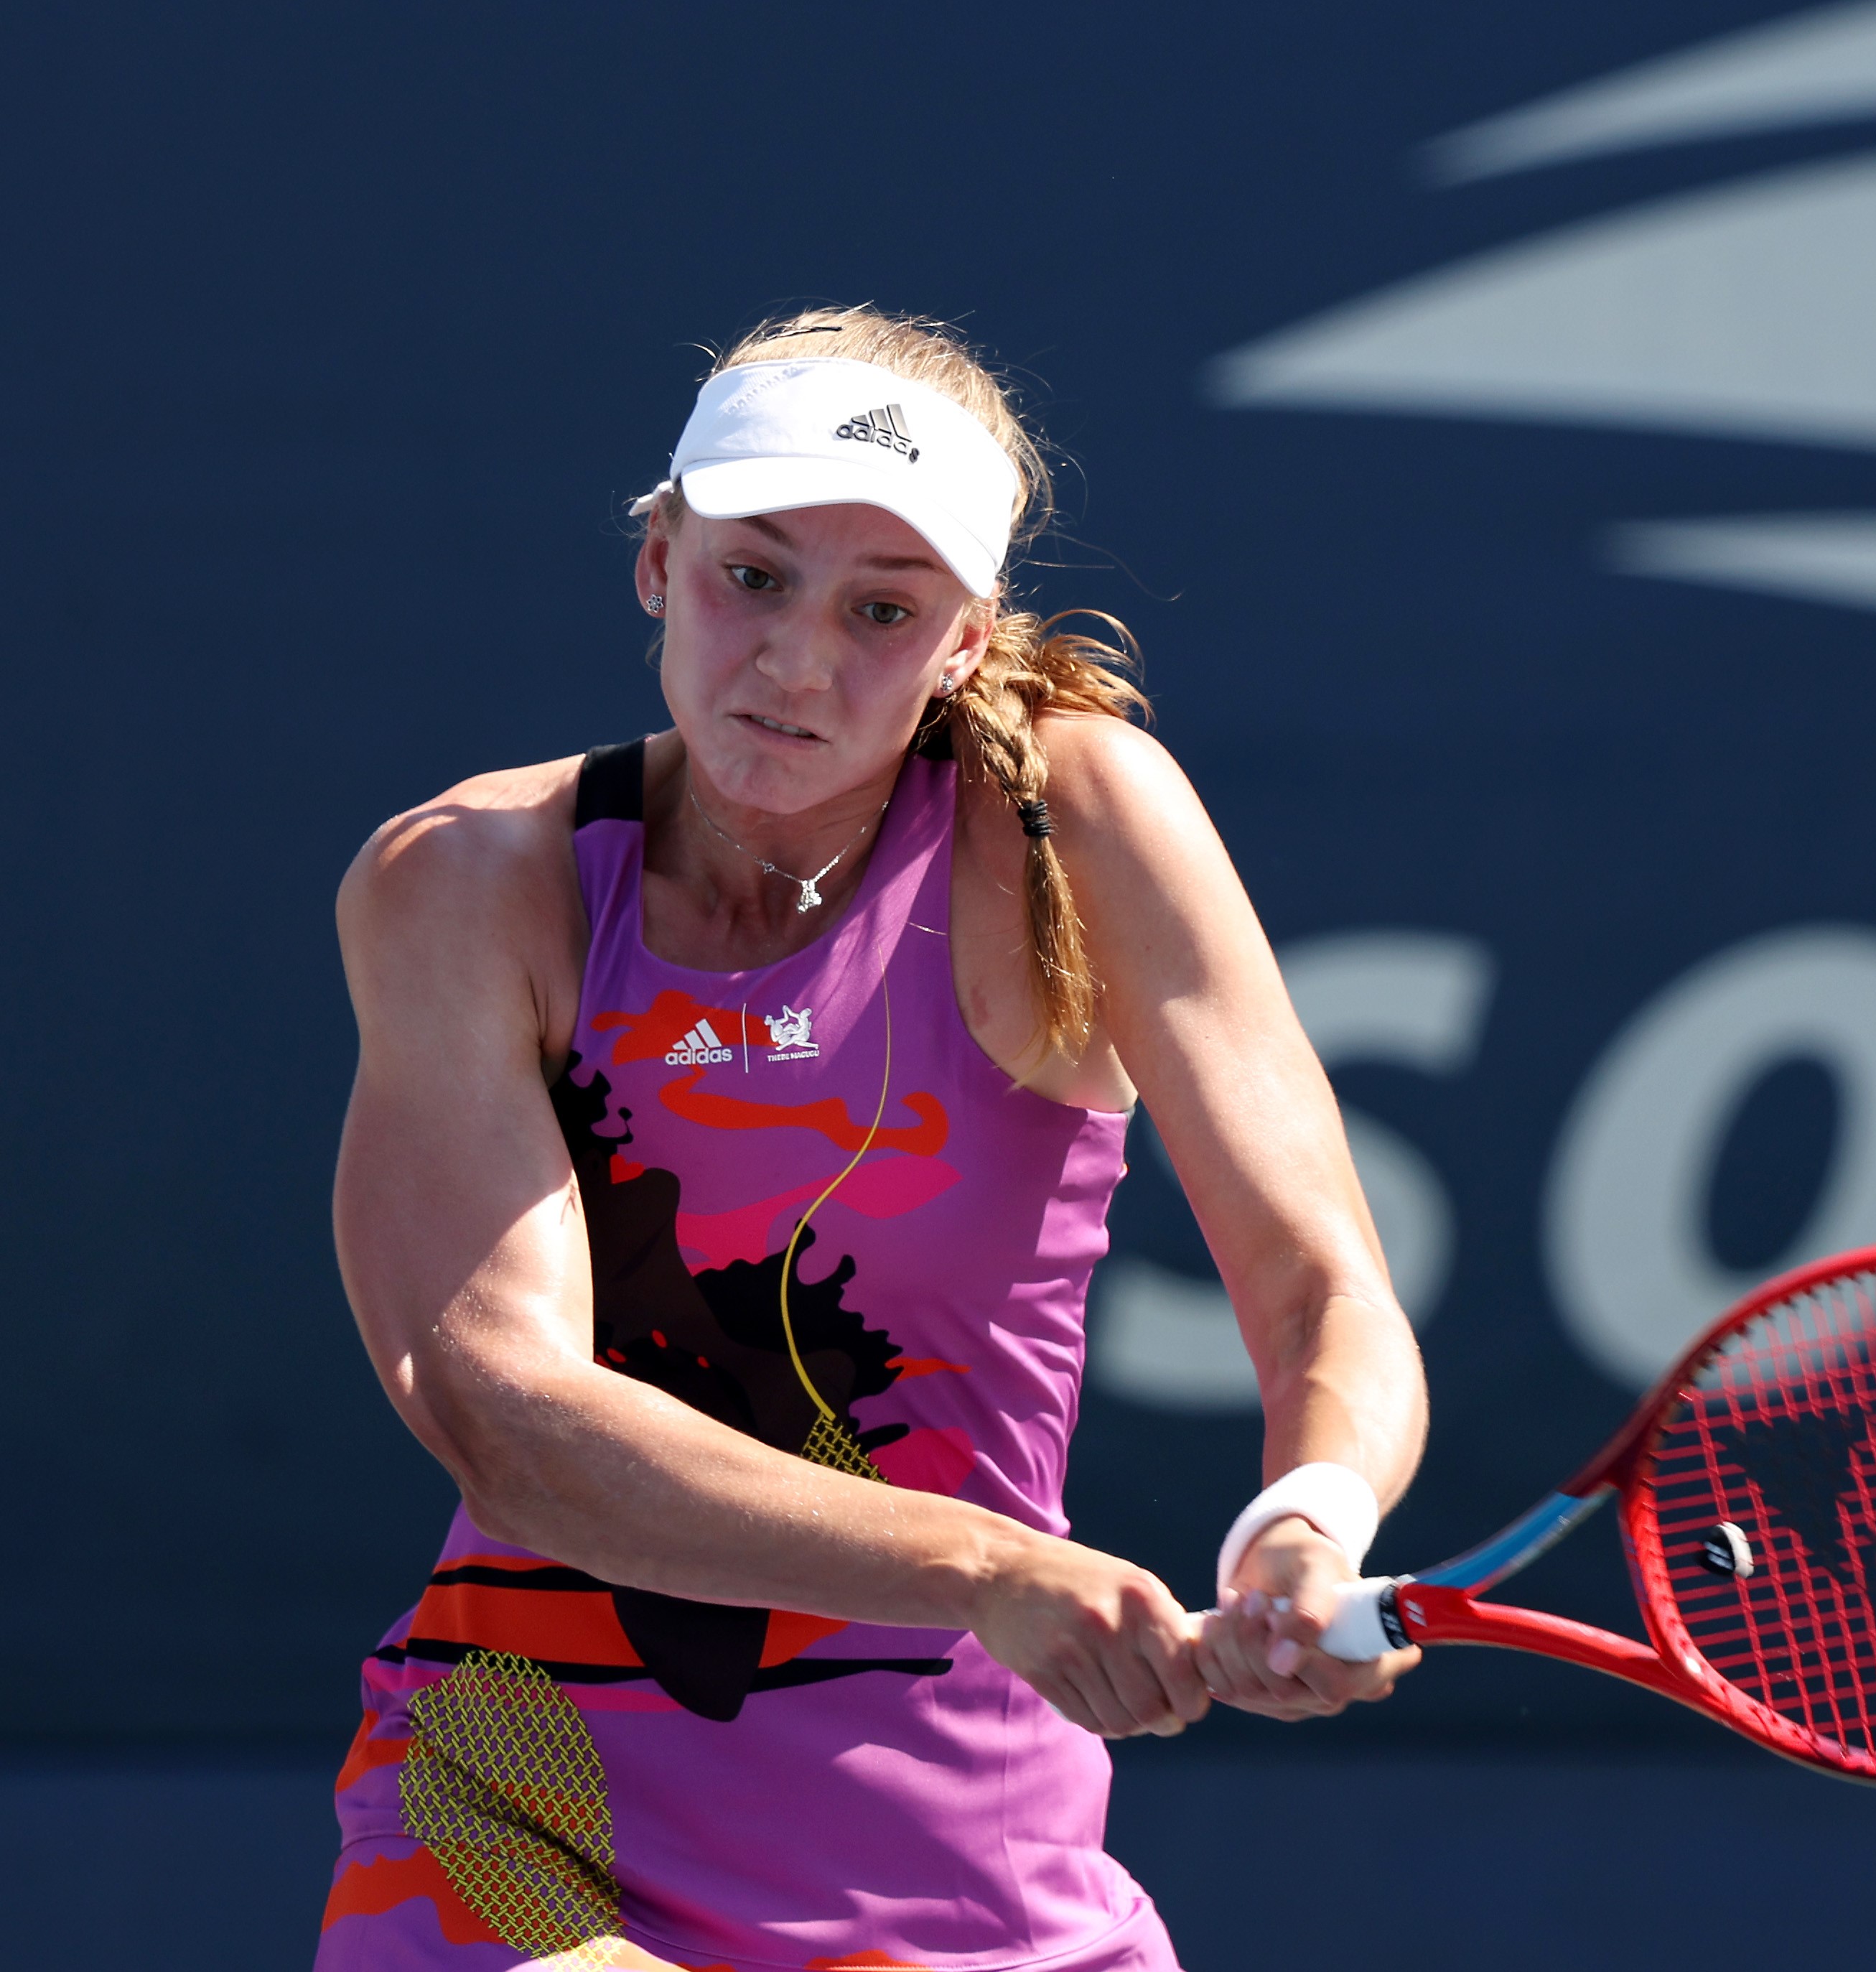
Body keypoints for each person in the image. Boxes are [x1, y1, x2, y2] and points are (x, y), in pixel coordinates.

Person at [318, 308, 1425, 1970]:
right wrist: (985, 1565)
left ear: (968, 640)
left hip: (974, 1866)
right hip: (523, 1827)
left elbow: (1321, 1282)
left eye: (882, 610)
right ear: (655, 559)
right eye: (750, 577)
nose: (795, 663)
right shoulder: (469, 880)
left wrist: (1309, 1516)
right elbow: (508, 1417)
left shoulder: (1077, 821)